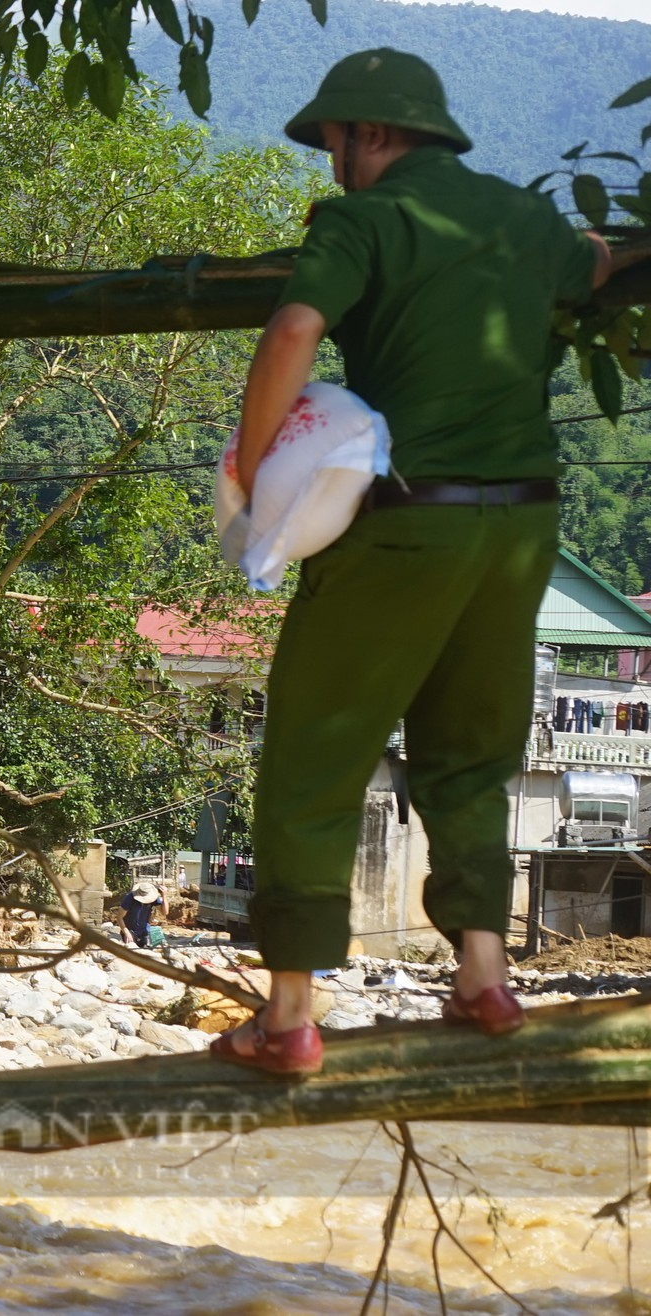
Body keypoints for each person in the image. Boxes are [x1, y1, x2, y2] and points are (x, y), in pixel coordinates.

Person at [218, 49, 626, 1076]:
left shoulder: (358, 224)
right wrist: (592, 249)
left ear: (367, 135)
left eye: (330, 144)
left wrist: (260, 466)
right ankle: (484, 974)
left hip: (407, 519)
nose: (328, 165)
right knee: (472, 747)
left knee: (313, 750)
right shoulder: (522, 220)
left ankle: (289, 1015)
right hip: (524, 520)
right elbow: (592, 264)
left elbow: (295, 326)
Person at [120, 879, 164, 948]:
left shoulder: (153, 898)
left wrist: (164, 895)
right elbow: (119, 917)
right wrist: (126, 933)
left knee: (153, 948)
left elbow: (165, 912)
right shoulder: (129, 898)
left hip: (144, 930)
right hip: (131, 930)